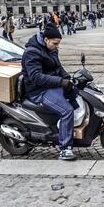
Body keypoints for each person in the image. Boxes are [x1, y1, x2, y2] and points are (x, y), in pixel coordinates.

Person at [22, 24, 78, 161]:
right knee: (67, 110)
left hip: (50, 85)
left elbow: (58, 68)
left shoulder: (51, 49)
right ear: (46, 39)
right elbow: (36, 77)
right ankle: (65, 149)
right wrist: (60, 82)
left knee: (75, 94)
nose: (57, 46)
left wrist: (69, 79)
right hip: (38, 90)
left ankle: (63, 126)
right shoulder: (32, 52)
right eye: (55, 43)